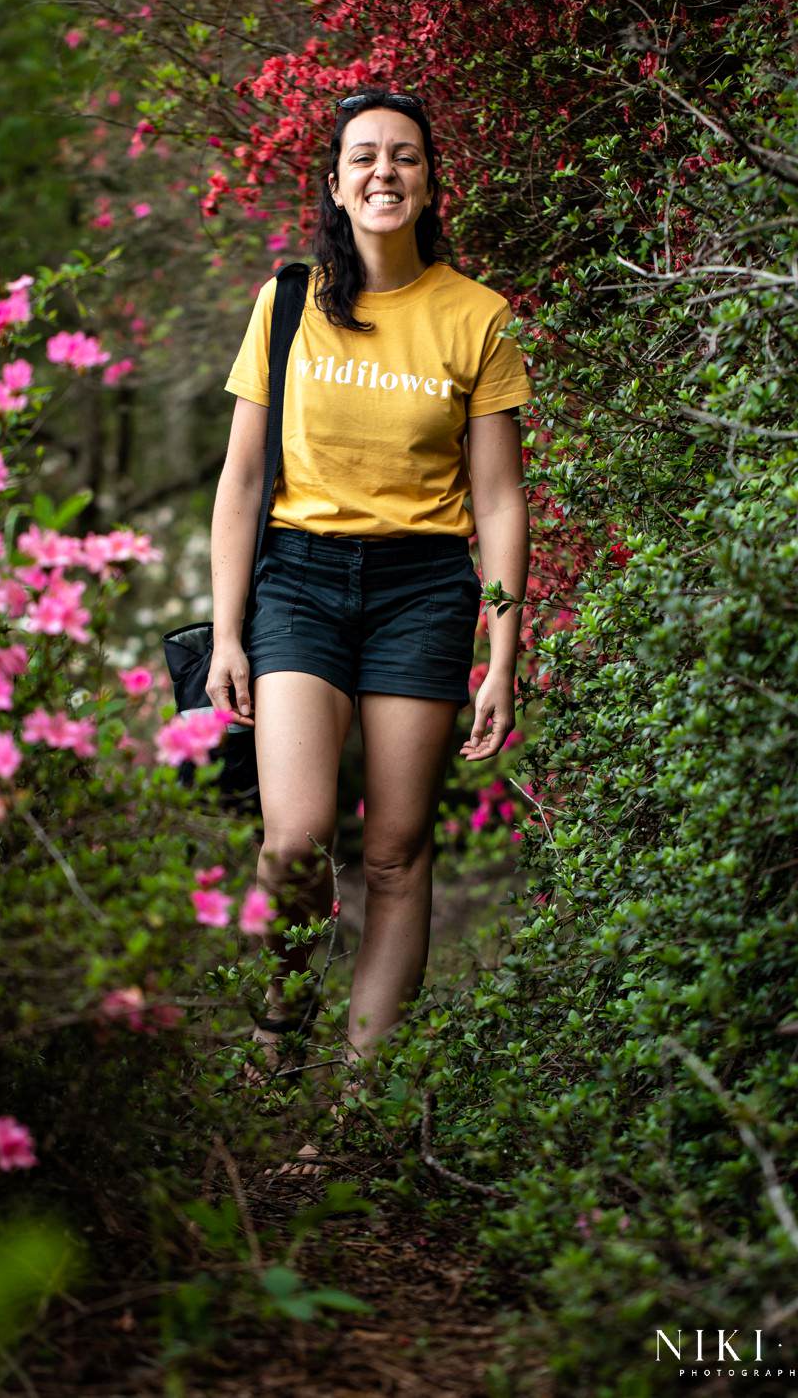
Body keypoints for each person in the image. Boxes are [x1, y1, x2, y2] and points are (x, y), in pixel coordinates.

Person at [207, 87, 531, 1175]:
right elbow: (242, 474)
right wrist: (225, 630)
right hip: (297, 579)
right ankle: (279, 1021)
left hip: (423, 591)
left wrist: (502, 648)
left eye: (404, 156)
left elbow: (496, 501)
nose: (383, 172)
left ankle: (359, 1099)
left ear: (429, 181)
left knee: (395, 851)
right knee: (294, 840)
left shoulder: (475, 315)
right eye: (363, 157)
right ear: (336, 184)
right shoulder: (286, 303)